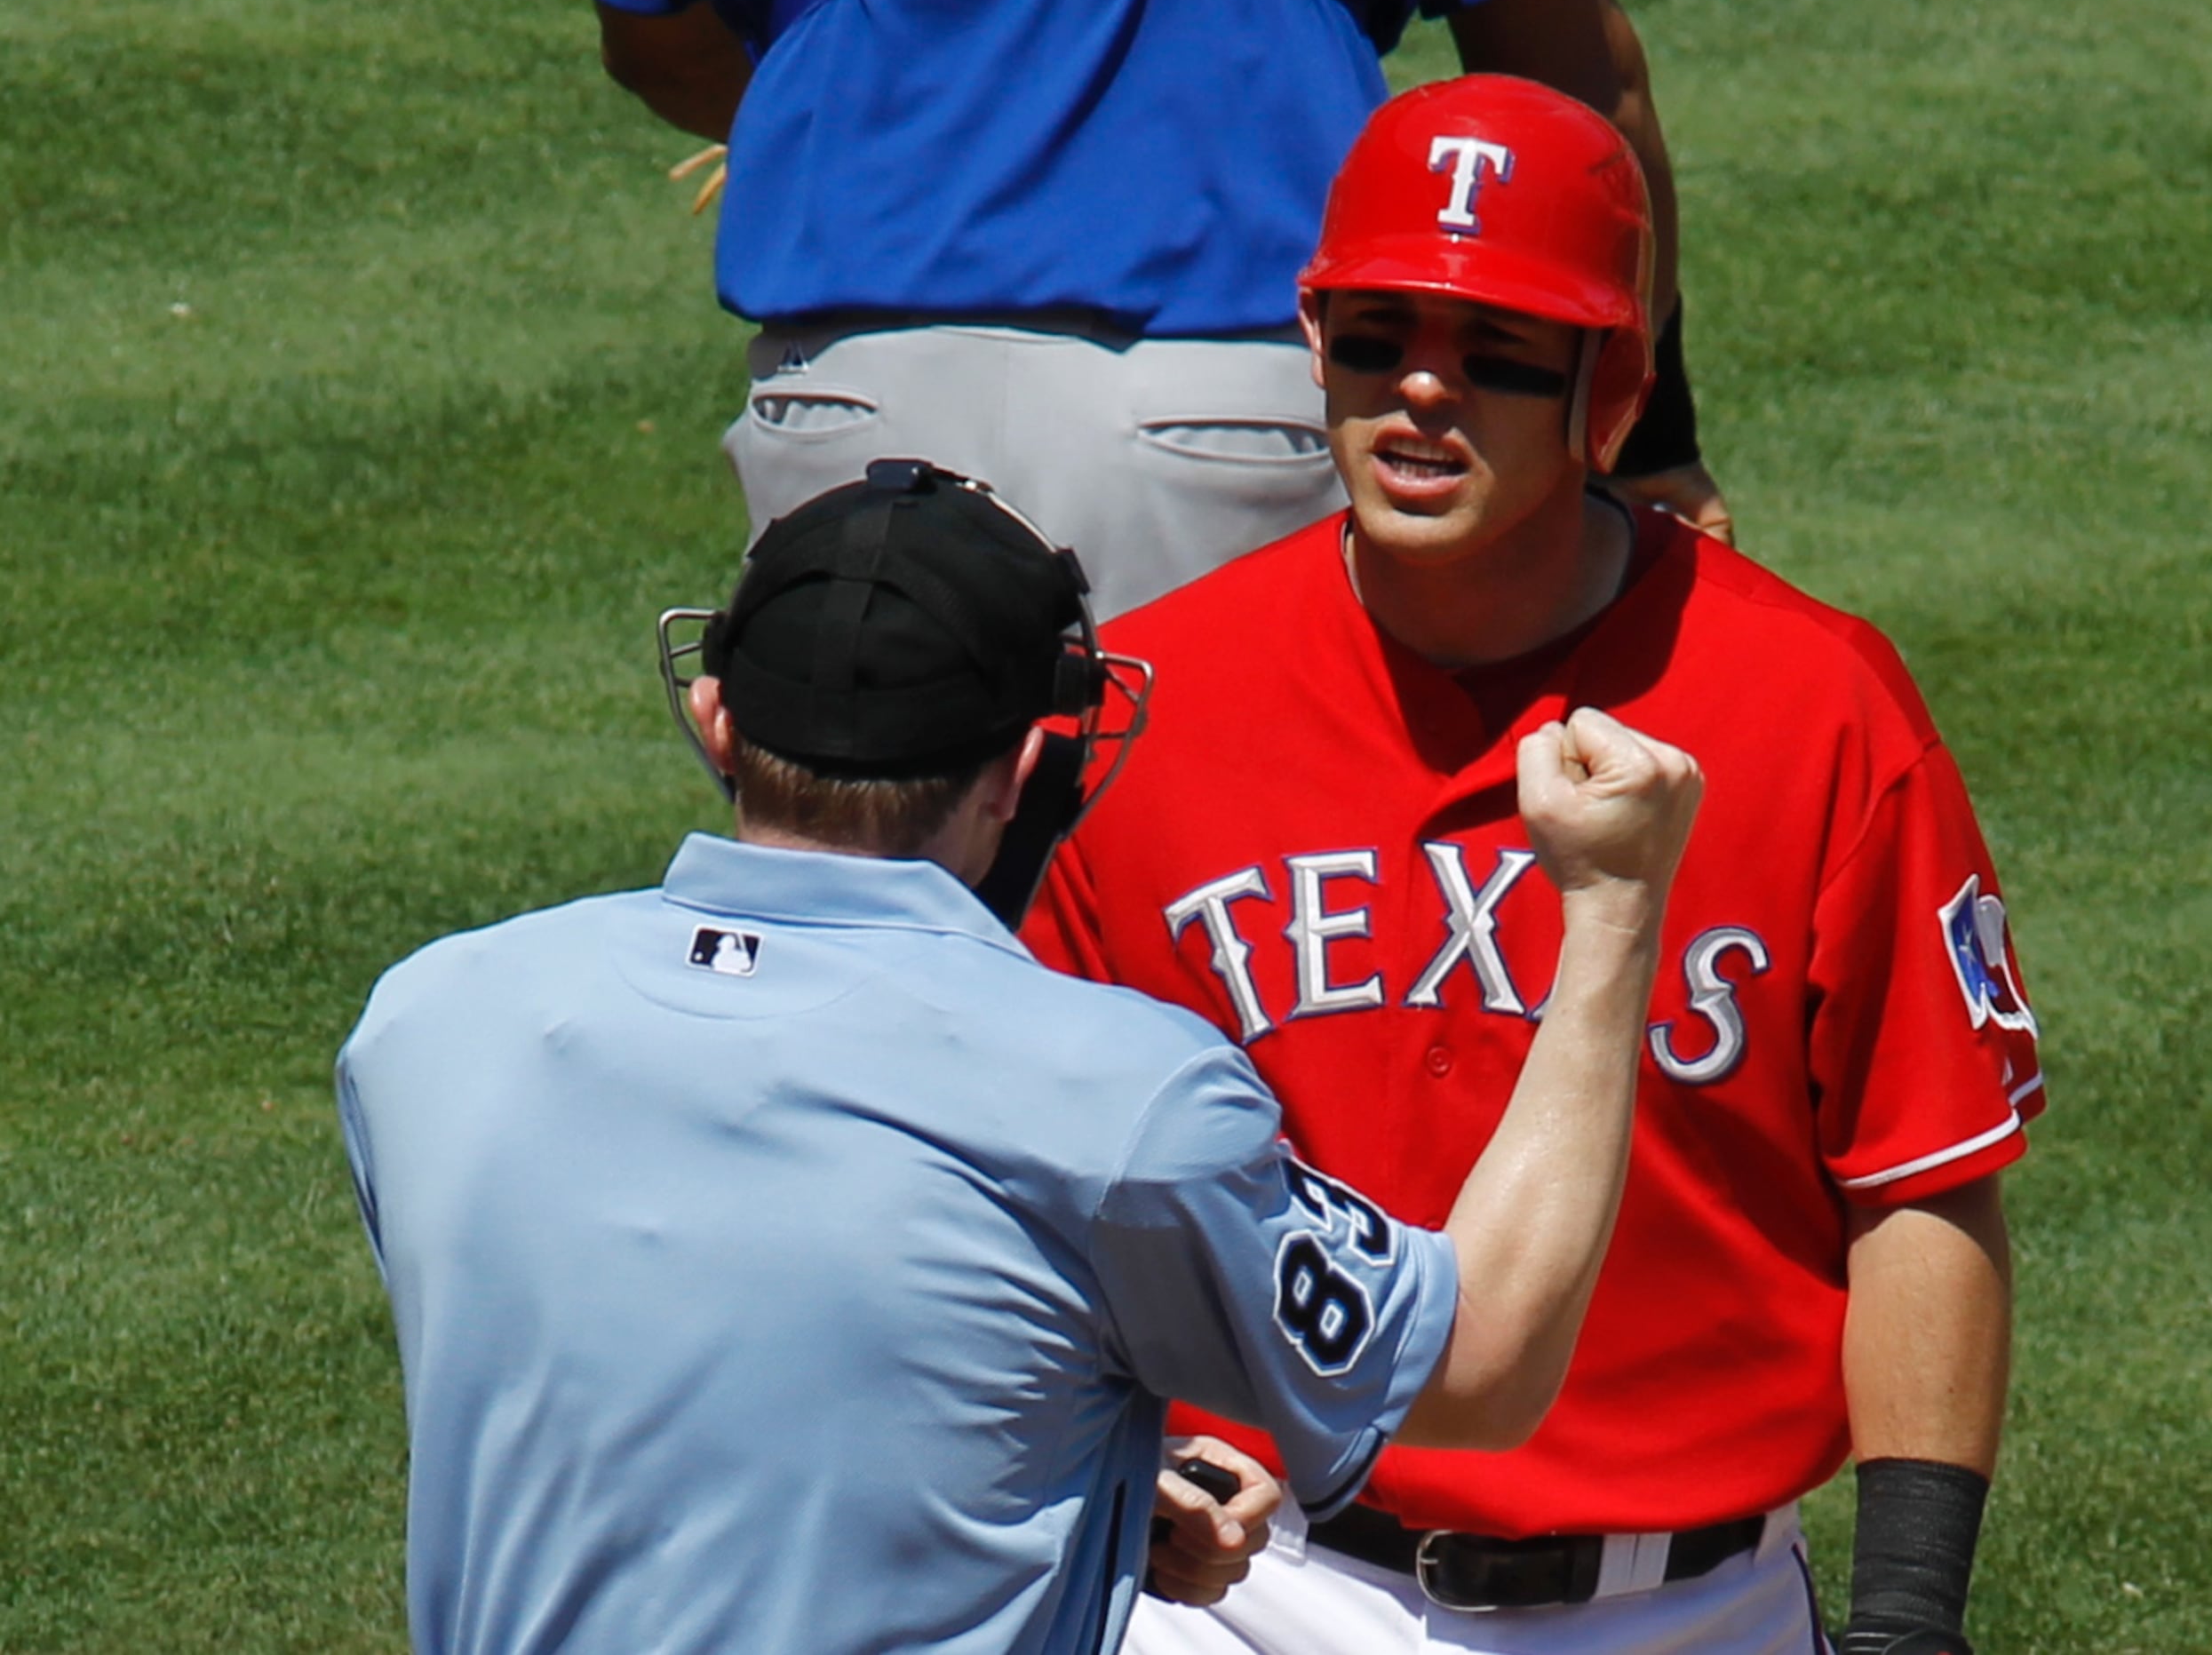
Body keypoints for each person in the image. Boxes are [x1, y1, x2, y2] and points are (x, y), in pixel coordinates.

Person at [334, 458, 1706, 1654]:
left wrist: (1076, 1461)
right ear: (1027, 769)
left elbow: (661, 1350)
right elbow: (1479, 1360)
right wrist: (1612, 907)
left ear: (718, 722)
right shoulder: (1119, 1100)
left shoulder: (428, 1023)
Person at [1024, 76, 2045, 1655]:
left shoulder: (1813, 706)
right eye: (1377, 338)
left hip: (1689, 1605)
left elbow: (1919, 1181)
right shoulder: (1148, 707)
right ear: (1313, 345)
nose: (1423, 393)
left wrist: (1908, 1617)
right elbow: (1030, 1176)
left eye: (1497, 354)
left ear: (1609, 394)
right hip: (1253, 1591)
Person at [585, 0, 1728, 618]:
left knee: (873, 936)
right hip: (1225, 416)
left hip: (850, 403)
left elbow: (654, 36)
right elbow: (1581, 91)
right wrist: (1642, 432)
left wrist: (858, 132)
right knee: (1196, 934)